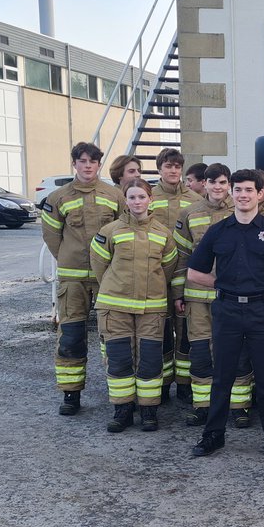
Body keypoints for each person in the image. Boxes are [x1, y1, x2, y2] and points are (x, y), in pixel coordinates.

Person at [185, 169, 264, 460]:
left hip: (261, 311)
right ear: (231, 193)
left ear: (261, 193)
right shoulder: (218, 230)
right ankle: (213, 436)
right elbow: (194, 272)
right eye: (237, 189)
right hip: (226, 311)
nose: (242, 195)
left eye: (249, 190)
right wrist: (225, 285)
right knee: (222, 377)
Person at [40, 142, 125, 415]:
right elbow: (52, 238)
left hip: (107, 278)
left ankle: (119, 395)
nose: (87, 165)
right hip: (73, 280)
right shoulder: (57, 198)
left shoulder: (115, 196)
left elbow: (123, 233)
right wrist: (69, 259)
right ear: (74, 164)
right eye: (82, 160)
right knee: (71, 337)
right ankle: (71, 394)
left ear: (99, 165)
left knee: (112, 336)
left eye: (93, 161)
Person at [89, 178, 178, 432]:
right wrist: (116, 285)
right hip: (115, 307)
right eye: (132, 197)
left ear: (151, 199)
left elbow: (168, 268)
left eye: (142, 197)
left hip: (152, 308)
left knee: (150, 360)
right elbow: (99, 265)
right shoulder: (110, 231)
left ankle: (149, 411)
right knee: (120, 359)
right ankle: (123, 410)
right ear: (125, 200)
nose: (137, 202)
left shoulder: (163, 233)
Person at [173, 163, 250, 426]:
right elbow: (181, 257)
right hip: (197, 296)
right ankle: (203, 405)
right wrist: (178, 292)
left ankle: (239, 406)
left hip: (233, 296)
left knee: (236, 350)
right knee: (201, 351)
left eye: (222, 182)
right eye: (212, 182)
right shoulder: (189, 213)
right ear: (203, 184)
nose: (217, 187)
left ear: (228, 184)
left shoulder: (242, 210)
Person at [149, 148, 201, 401]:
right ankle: (161, 383)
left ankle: (183, 382)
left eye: (177, 167)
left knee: (184, 330)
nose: (173, 171)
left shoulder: (194, 198)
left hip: (183, 269)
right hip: (155, 271)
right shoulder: (149, 196)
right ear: (159, 168)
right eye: (168, 166)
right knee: (159, 329)